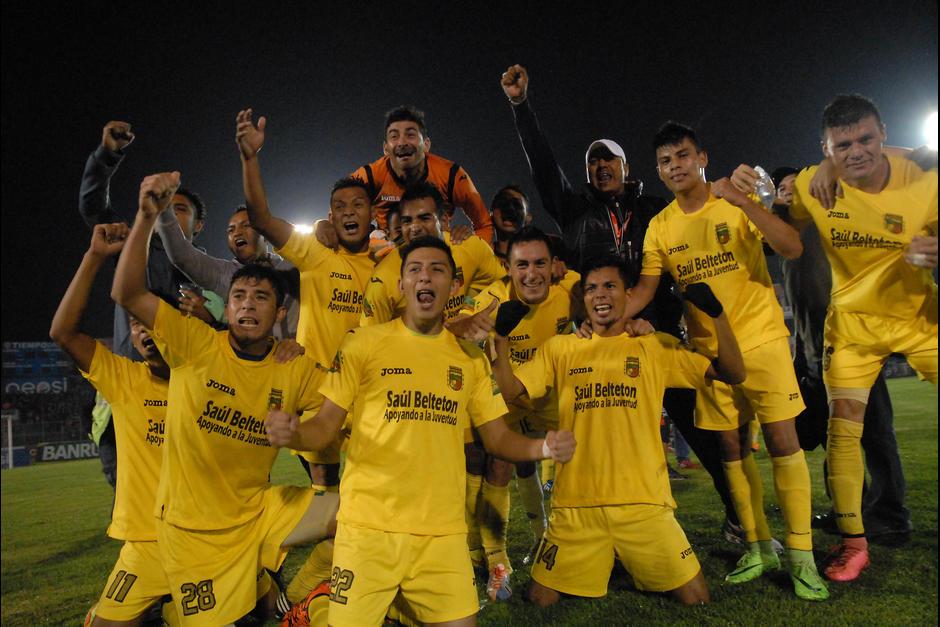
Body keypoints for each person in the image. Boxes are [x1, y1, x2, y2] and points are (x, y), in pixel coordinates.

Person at [265, 235, 576, 626]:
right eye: (414, 269)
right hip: (368, 530)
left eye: (436, 270)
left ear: (454, 287)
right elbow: (325, 427)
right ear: (401, 285)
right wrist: (293, 433)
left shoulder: (469, 359)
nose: (424, 277)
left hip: (441, 536)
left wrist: (543, 448)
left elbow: (496, 438)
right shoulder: (363, 344)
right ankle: (320, 604)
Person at [500, 64, 741, 540]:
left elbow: (696, 214)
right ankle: (586, 527)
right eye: (593, 162)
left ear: (627, 169)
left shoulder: (654, 211)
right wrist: (521, 107)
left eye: (609, 160)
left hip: (656, 341)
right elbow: (544, 165)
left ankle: (738, 518)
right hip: (595, 345)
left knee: (703, 432)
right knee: (595, 441)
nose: (600, 167)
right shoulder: (574, 210)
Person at [111, 171, 340, 625]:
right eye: (239, 296)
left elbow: (342, 400)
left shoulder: (291, 364)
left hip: (258, 511)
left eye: (260, 297)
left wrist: (301, 430)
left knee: (367, 509)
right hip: (189, 530)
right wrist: (144, 215)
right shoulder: (194, 342)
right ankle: (251, 589)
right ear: (227, 306)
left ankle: (306, 602)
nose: (248, 304)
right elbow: (127, 292)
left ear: (279, 314)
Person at [732, 94, 937, 582]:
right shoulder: (809, 186)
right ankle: (853, 541)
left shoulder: (922, 175)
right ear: (825, 147)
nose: (856, 152)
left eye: (866, 139)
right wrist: (753, 196)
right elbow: (781, 232)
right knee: (842, 430)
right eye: (841, 145)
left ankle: (889, 514)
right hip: (849, 328)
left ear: (884, 133)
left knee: (877, 433)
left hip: (917, 315)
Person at [621, 122, 828, 600]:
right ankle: (759, 545)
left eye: (683, 156)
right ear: (657, 170)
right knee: (732, 452)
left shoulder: (733, 201)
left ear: (702, 158)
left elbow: (791, 247)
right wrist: (602, 318)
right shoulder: (660, 227)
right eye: (666, 161)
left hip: (763, 341)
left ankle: (801, 556)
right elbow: (646, 291)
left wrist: (744, 201)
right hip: (710, 355)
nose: (675, 166)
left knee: (782, 442)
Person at [492, 256, 748, 607]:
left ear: (628, 295)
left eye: (610, 286)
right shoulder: (561, 349)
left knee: (696, 598)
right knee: (540, 600)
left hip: (643, 504)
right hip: (576, 506)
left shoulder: (654, 345)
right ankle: (605, 558)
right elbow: (511, 391)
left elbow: (733, 374)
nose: (600, 295)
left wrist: (717, 315)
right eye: (592, 289)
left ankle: (620, 557)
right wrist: (501, 341)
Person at [237, 109, 377, 496]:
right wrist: (250, 158)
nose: (348, 212)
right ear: (329, 215)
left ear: (373, 214)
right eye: (339, 207)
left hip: (371, 390)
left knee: (376, 489)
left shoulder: (391, 262)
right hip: (320, 390)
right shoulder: (316, 252)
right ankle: (335, 557)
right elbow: (262, 218)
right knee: (326, 497)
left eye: (357, 205)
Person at [769, 165, 913, 543]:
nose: (787, 192)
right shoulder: (785, 239)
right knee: (834, 434)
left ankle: (891, 516)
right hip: (813, 352)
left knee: (875, 431)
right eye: (781, 188)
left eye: (791, 186)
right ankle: (849, 509)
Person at [50, 222, 172, 625]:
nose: (144, 330)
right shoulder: (125, 379)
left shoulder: (208, 378)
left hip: (205, 534)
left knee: (258, 608)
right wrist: (95, 257)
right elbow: (64, 332)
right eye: (136, 325)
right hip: (146, 541)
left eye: (152, 320)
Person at [454, 226, 580, 599]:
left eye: (540, 263)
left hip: (551, 395)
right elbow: (452, 331)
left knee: (576, 467)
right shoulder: (490, 300)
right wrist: (466, 327)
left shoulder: (571, 286)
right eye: (522, 265)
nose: (532, 274)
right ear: (507, 269)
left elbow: (615, 293)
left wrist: (637, 322)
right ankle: (497, 560)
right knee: (496, 463)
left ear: (555, 265)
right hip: (505, 394)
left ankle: (561, 542)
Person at [361, 181, 505, 327]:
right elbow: (370, 340)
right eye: (407, 221)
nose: (415, 228)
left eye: (424, 218)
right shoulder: (383, 278)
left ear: (443, 221)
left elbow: (506, 286)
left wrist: (468, 309)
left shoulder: (471, 247)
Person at [155, 202, 301, 340]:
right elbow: (182, 257)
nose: (237, 233)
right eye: (231, 230)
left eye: (246, 225)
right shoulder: (225, 275)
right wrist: (163, 208)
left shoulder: (295, 268)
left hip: (297, 359)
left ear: (265, 233)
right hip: (250, 363)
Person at [350, 105, 494, 242]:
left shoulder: (450, 175)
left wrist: (475, 255)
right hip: (388, 254)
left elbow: (484, 224)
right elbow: (338, 215)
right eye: (394, 136)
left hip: (437, 253)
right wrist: (328, 228)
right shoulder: (370, 176)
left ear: (426, 144)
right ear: (386, 148)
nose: (401, 142)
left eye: (410, 135)